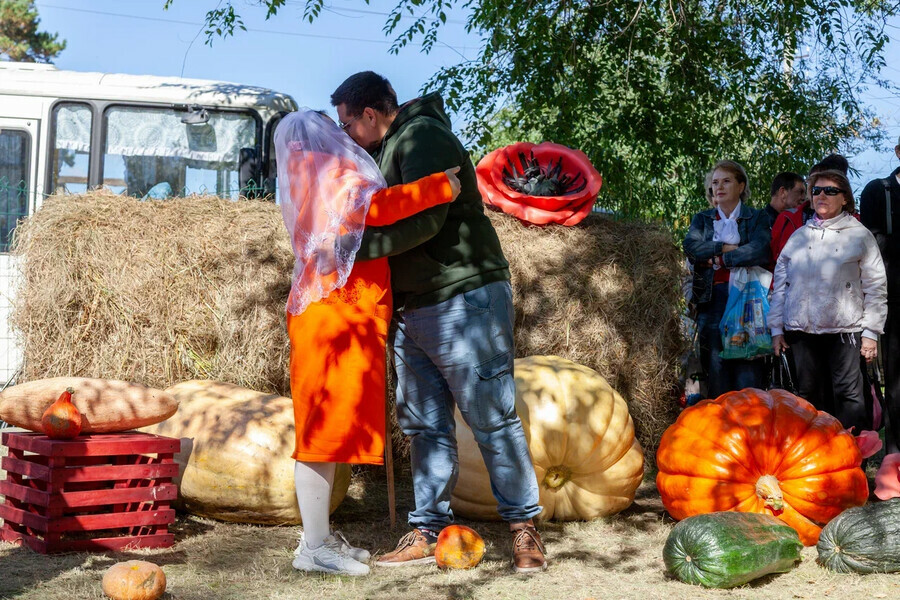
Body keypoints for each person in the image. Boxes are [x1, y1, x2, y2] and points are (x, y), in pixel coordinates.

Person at [330, 72, 546, 573]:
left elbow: (428, 216)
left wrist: (354, 253)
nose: (345, 134)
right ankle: (427, 529)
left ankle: (523, 528)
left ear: (370, 113)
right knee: (424, 426)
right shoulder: (383, 150)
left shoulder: (422, 135)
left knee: (491, 416)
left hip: (462, 295)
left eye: (348, 123)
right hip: (413, 304)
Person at [275, 109, 461, 576]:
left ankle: (318, 537)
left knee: (327, 433)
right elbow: (377, 207)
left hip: (328, 315)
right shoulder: (332, 171)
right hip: (336, 318)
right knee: (321, 437)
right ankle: (314, 547)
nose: (343, 134)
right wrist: (440, 186)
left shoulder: (302, 177)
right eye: (333, 127)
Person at [769, 170, 887, 432]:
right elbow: (780, 286)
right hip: (800, 332)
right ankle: (813, 462)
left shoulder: (860, 235)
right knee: (808, 398)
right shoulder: (798, 237)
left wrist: (870, 332)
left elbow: (876, 286)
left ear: (845, 198)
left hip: (845, 331)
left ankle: (852, 461)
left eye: (830, 190)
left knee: (849, 397)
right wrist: (776, 329)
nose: (822, 195)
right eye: (816, 190)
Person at [683, 160, 771, 399]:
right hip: (711, 301)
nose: (718, 187)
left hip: (747, 301)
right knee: (716, 370)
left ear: (741, 186)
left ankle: (750, 428)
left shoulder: (757, 217)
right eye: (714, 182)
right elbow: (691, 248)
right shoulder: (702, 219)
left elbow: (760, 250)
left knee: (747, 371)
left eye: (726, 181)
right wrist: (724, 247)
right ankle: (720, 429)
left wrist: (718, 260)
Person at [859, 137, 900, 454]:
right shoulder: (878, 191)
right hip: (895, 297)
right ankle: (895, 450)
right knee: (896, 377)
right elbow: (874, 244)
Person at [771, 155, 849, 265]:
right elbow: (777, 261)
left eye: (828, 188)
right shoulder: (787, 217)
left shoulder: (855, 224)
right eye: (812, 181)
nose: (817, 188)